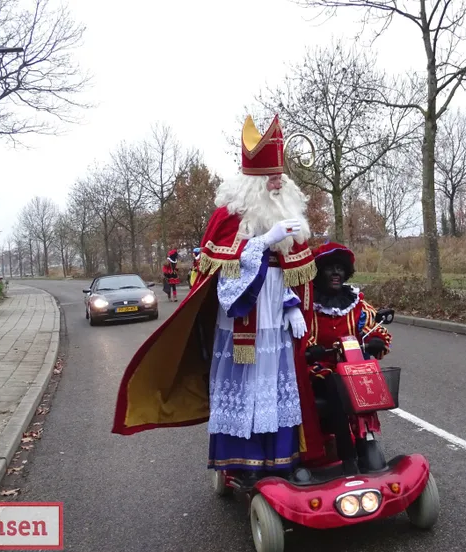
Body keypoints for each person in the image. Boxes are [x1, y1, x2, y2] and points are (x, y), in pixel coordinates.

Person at [111, 114, 326, 479]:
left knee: (277, 391)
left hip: (276, 325)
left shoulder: (288, 214)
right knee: (245, 392)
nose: (278, 181)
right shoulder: (229, 217)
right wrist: (264, 241)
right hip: (242, 324)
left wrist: (292, 306)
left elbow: (290, 275)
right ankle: (243, 465)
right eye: (269, 176)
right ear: (251, 182)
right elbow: (224, 280)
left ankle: (284, 460)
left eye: (279, 175)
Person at [305, 242, 392, 474]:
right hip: (318, 369)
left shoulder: (355, 303)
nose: (336, 273)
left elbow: (372, 327)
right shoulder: (307, 304)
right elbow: (298, 333)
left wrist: (377, 340)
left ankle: (366, 441)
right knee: (334, 385)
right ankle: (348, 457)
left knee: (363, 383)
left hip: (352, 366)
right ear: (318, 271)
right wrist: (309, 348)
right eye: (329, 268)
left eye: (340, 268)